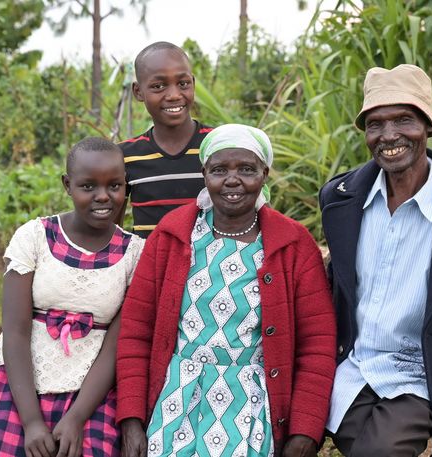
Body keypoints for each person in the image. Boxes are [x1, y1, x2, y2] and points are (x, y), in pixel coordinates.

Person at [116, 124, 337, 457]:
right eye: (219, 170)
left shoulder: (293, 245)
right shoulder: (172, 235)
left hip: (251, 408)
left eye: (247, 169)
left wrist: (304, 430)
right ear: (204, 173)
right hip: (175, 401)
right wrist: (132, 419)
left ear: (264, 173)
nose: (233, 180)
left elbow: (317, 346)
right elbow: (136, 332)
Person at [319, 64, 432, 457]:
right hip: (351, 367)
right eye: (375, 124)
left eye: (404, 119)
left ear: (429, 127)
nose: (389, 136)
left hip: (420, 375)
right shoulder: (341, 201)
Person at [0, 137, 145, 457]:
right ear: (67, 185)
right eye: (88, 186)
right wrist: (31, 422)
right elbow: (15, 332)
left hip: (90, 390)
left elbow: (116, 344)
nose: (103, 196)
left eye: (114, 185)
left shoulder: (134, 253)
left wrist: (76, 418)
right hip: (18, 380)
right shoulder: (34, 237)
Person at [117, 41, 213, 238]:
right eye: (158, 86)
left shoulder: (217, 146)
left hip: (211, 267)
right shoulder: (124, 157)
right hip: (150, 266)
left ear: (193, 83)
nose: (174, 95)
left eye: (183, 84)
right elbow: (112, 231)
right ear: (138, 92)